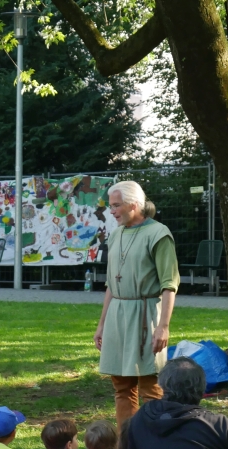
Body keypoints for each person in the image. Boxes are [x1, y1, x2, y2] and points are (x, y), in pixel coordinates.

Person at [93, 180, 179, 427]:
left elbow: (169, 284)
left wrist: (163, 326)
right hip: (117, 316)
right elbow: (111, 284)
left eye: (116, 205)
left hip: (146, 316)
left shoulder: (159, 234)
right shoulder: (116, 234)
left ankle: (154, 445)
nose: (112, 211)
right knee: (122, 388)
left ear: (134, 204)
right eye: (111, 205)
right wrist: (102, 324)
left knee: (151, 388)